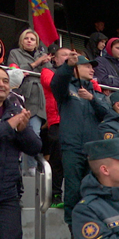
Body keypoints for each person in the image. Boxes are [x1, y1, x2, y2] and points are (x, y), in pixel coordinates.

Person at [51, 53, 110, 239]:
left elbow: (108, 114)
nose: (92, 69)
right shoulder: (67, 90)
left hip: (93, 150)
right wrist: (68, 66)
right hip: (73, 147)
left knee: (92, 190)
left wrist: (92, 99)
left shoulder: (98, 94)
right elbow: (56, 83)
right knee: (74, 190)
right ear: (77, 68)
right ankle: (74, 229)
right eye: (87, 66)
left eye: (93, 66)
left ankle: (91, 227)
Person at [0, 67, 42, 239]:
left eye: (6, 81)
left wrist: (23, 127)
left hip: (7, 188)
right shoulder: (11, 116)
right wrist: (10, 126)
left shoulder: (14, 109)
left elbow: (35, 147)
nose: (3, 85)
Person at [7, 29, 49, 175]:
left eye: (33, 39)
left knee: (34, 133)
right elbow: (13, 73)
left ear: (37, 43)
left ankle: (30, 168)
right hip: (22, 96)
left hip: (39, 100)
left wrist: (45, 63)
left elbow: (49, 75)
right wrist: (36, 63)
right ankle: (22, 167)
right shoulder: (15, 53)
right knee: (17, 133)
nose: (30, 41)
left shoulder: (42, 55)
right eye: (27, 38)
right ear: (21, 40)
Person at [40, 46, 71, 207]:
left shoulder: (76, 74)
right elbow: (52, 84)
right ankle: (55, 194)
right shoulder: (47, 70)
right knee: (57, 158)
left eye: (69, 55)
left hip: (73, 121)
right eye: (64, 55)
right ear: (55, 59)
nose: (67, 57)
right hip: (57, 120)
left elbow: (95, 87)